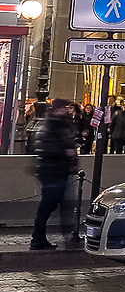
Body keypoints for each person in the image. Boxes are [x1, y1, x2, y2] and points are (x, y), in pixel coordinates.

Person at [29, 98, 78, 250]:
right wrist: (66, 152)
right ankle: (38, 239)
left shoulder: (60, 125)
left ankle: (66, 236)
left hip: (59, 171)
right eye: (64, 107)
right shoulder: (50, 127)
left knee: (60, 205)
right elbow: (46, 150)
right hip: (52, 172)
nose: (67, 110)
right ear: (57, 110)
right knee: (48, 206)